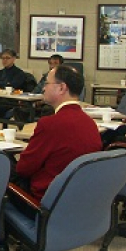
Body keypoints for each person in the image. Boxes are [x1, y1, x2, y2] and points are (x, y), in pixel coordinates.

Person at [13, 65, 102, 201]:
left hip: (45, 198)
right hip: (78, 196)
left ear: (61, 88)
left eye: (47, 83)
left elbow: (23, 169)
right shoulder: (90, 123)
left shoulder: (50, 124)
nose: (43, 88)